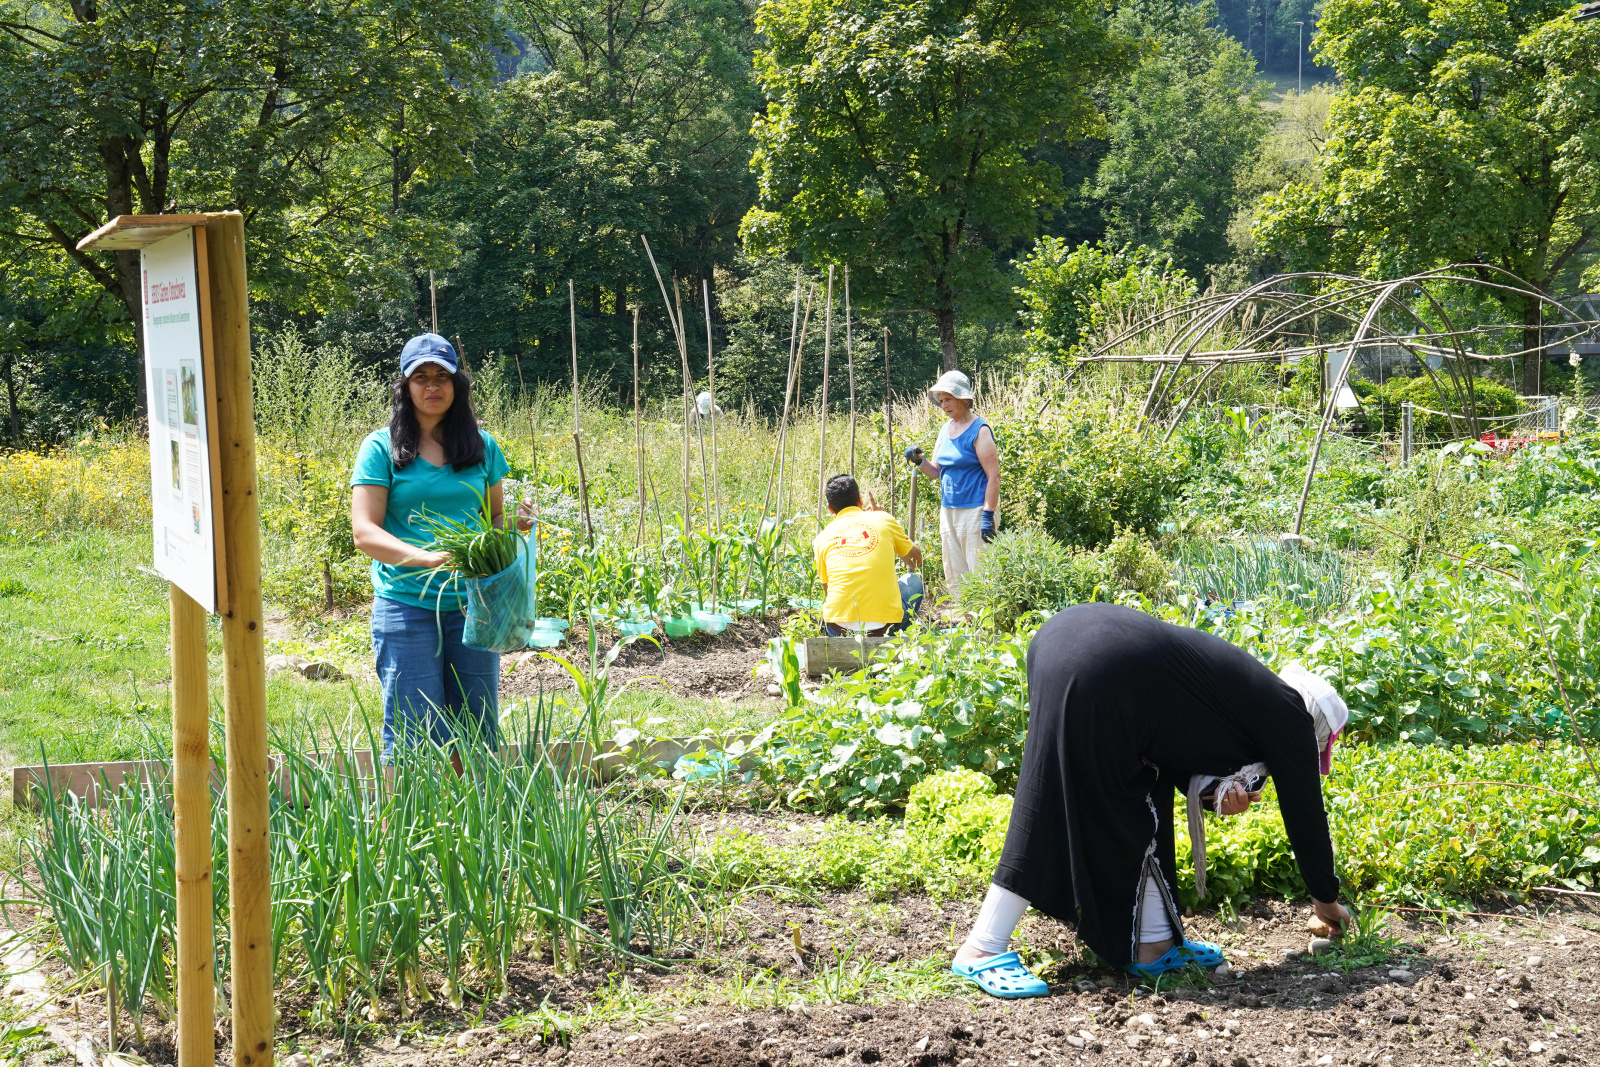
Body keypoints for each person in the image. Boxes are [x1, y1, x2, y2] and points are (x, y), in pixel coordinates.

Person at [950, 603, 1353, 998]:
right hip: (1102, 662)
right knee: (1050, 803)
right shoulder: (1292, 712)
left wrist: (1211, 792)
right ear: (1315, 723)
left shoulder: (1249, 696)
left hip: (1067, 635)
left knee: (1138, 788)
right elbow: (1306, 815)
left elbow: (1170, 747)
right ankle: (983, 945)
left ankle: (1152, 943)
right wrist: (1326, 902)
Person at [350, 333, 528, 760]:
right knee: (415, 725)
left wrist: (514, 525)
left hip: (474, 603)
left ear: (457, 385)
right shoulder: (381, 448)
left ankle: (476, 816)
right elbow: (365, 532)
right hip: (407, 602)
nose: (433, 386)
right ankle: (417, 819)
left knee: (476, 722)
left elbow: (495, 518)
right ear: (405, 387)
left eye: (442, 377)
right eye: (421, 377)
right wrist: (426, 559)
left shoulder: (481, 447)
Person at [904, 370, 999, 594]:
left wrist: (988, 515)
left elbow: (993, 475)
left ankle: (984, 622)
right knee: (955, 570)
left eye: (949, 399)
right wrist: (919, 461)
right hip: (949, 510)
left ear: (964, 399)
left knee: (979, 569)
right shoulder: (945, 430)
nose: (944, 405)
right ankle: (963, 619)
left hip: (976, 509)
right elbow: (936, 471)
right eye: (941, 401)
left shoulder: (980, 430)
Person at [813, 473, 924, 636]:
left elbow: (828, 590)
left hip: (839, 629)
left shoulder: (822, 538)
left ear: (830, 508)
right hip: (882, 628)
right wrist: (889, 521)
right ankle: (896, 636)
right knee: (913, 581)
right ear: (859, 498)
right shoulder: (883, 520)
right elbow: (916, 560)